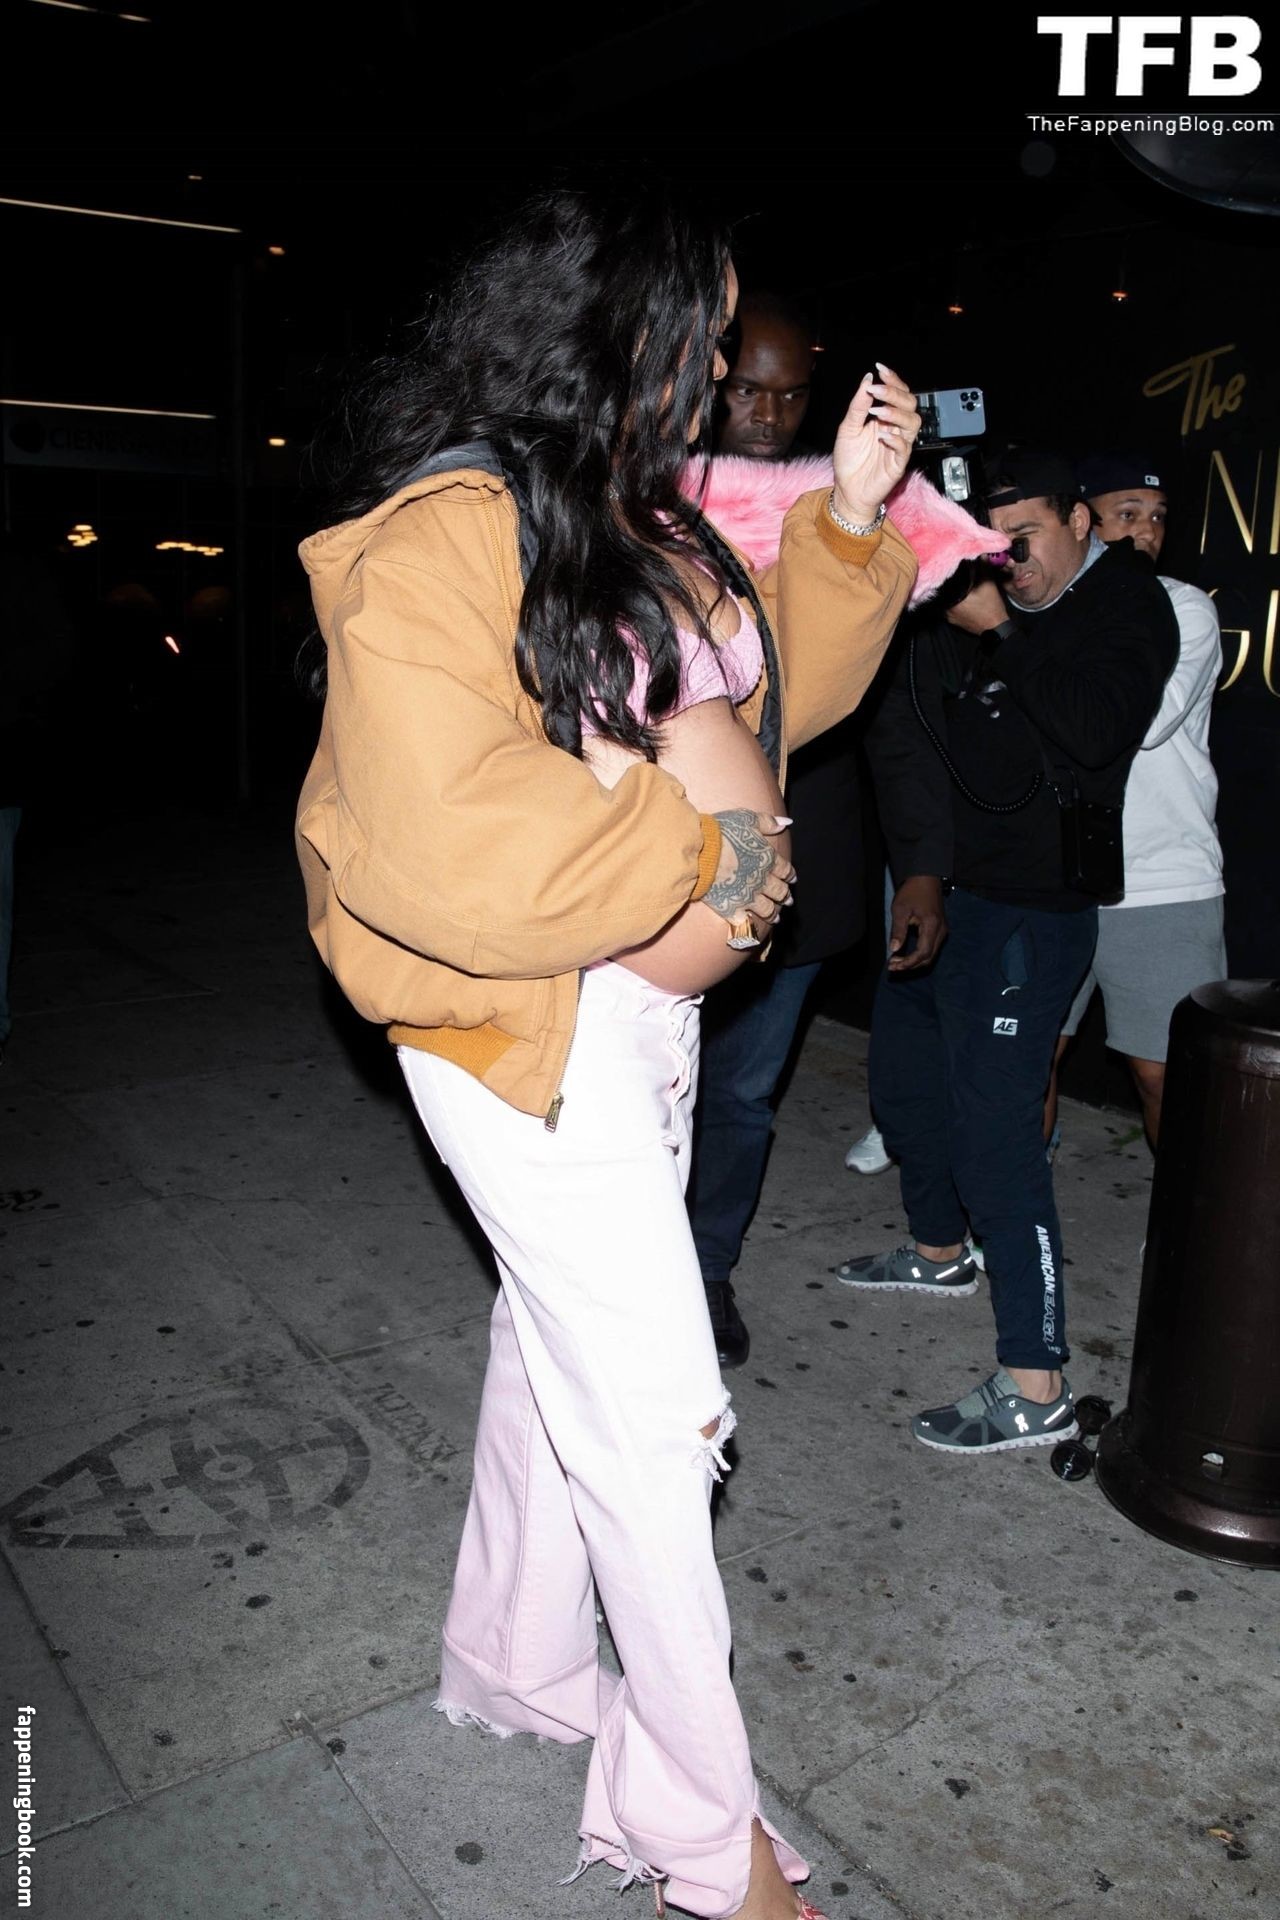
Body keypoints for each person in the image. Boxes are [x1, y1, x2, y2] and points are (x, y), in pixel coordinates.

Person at [294, 183, 919, 1920]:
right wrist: (705, 857)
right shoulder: (443, 533)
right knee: (656, 1408)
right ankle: (705, 1840)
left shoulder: (640, 521)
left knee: (549, 1344)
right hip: (525, 1023)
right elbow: (434, 822)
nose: (719, 371)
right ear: (607, 329)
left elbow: (767, 702)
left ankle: (511, 1658)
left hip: (643, 1019)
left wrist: (846, 524)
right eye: (702, 336)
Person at [834, 447, 1178, 1455]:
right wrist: (922, 874)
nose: (1009, 560)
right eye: (993, 542)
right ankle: (938, 1251)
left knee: (997, 1139)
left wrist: (1001, 633)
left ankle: (1037, 1383)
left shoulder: (1126, 605)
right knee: (904, 1090)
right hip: (951, 895)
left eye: (1024, 536)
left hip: (1033, 916)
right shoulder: (976, 607)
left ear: (1078, 521)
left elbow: (1095, 733)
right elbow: (919, 740)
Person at [687, 288, 871, 1366]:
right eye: (748, 389)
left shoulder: (837, 513)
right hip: (660, 856)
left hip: (794, 866)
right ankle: (636, 1280)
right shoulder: (644, 500)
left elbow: (892, 705)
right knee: (642, 1091)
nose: (767, 413)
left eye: (791, 394)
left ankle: (705, 1274)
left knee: (742, 1095)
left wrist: (922, 862)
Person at [1045, 452, 1226, 1150]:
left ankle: (1188, 1221)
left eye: (1157, 517)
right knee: (1027, 1064)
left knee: (1166, 1076)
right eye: (1128, 514)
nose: (1147, 530)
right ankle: (1011, 1210)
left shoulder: (1183, 607)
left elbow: (1136, 727)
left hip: (1161, 881)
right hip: (1050, 879)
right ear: (1081, 521)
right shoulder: (1039, 606)